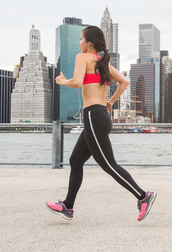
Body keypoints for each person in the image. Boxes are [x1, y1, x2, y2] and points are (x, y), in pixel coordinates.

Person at [46, 26, 156, 221]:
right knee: (76, 160)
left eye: (81, 39)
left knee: (108, 165)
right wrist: (111, 102)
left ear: (90, 43)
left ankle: (142, 196)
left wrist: (62, 82)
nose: (79, 43)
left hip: (93, 116)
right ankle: (68, 206)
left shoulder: (84, 58)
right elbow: (124, 82)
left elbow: (78, 82)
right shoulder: (102, 63)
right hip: (99, 116)